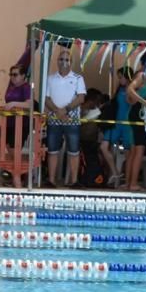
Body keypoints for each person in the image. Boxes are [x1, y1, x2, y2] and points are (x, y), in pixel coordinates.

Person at [42, 49, 86, 188]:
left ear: (71, 62)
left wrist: (65, 110)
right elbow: (46, 98)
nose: (64, 62)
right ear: (57, 61)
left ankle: (74, 181)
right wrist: (57, 111)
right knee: (52, 149)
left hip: (71, 118)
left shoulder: (78, 78)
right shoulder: (50, 78)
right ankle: (52, 180)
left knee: (73, 150)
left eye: (67, 60)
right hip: (55, 117)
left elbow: (81, 98)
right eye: (61, 59)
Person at [124, 56, 146, 192]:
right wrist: (144, 102)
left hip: (134, 114)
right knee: (139, 150)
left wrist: (139, 101)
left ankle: (128, 183)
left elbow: (129, 98)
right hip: (136, 116)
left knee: (133, 151)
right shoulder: (141, 75)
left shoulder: (139, 75)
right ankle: (133, 184)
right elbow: (129, 90)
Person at [98, 66, 133, 188]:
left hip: (127, 125)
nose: (120, 80)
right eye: (119, 78)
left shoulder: (131, 89)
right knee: (103, 147)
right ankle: (115, 172)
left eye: (121, 77)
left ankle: (128, 181)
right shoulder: (119, 89)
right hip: (115, 124)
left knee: (128, 153)